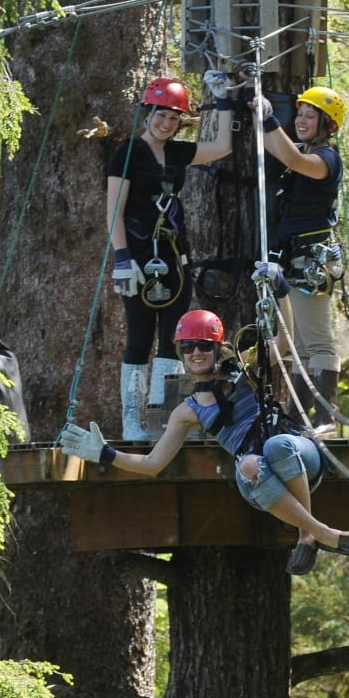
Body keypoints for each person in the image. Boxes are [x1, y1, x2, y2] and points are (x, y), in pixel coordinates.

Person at [61, 262, 349, 576]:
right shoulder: (187, 411)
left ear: (216, 348)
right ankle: (319, 532)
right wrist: (106, 454)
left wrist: (281, 291)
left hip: (297, 455)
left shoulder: (244, 367)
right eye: (187, 348)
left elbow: (284, 341)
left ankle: (307, 534)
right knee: (249, 464)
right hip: (257, 476)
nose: (195, 353)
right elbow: (152, 465)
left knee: (278, 445)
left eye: (203, 346)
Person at [107, 73, 234, 441]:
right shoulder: (128, 153)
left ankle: (159, 415)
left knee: (171, 341)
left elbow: (222, 144)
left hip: (175, 260)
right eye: (161, 115)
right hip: (138, 259)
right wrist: (122, 256)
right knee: (139, 339)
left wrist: (221, 101)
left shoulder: (177, 153)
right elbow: (114, 210)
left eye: (174, 118)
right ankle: (132, 420)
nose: (166, 123)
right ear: (148, 113)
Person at [249, 86, 346, 436]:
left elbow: (290, 158)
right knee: (301, 345)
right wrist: (259, 115)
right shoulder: (306, 150)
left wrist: (271, 117)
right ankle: (297, 417)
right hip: (296, 256)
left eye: (310, 116)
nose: (302, 120)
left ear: (326, 124)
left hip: (312, 257)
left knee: (318, 342)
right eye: (300, 114)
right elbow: (279, 148)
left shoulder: (326, 160)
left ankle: (325, 419)